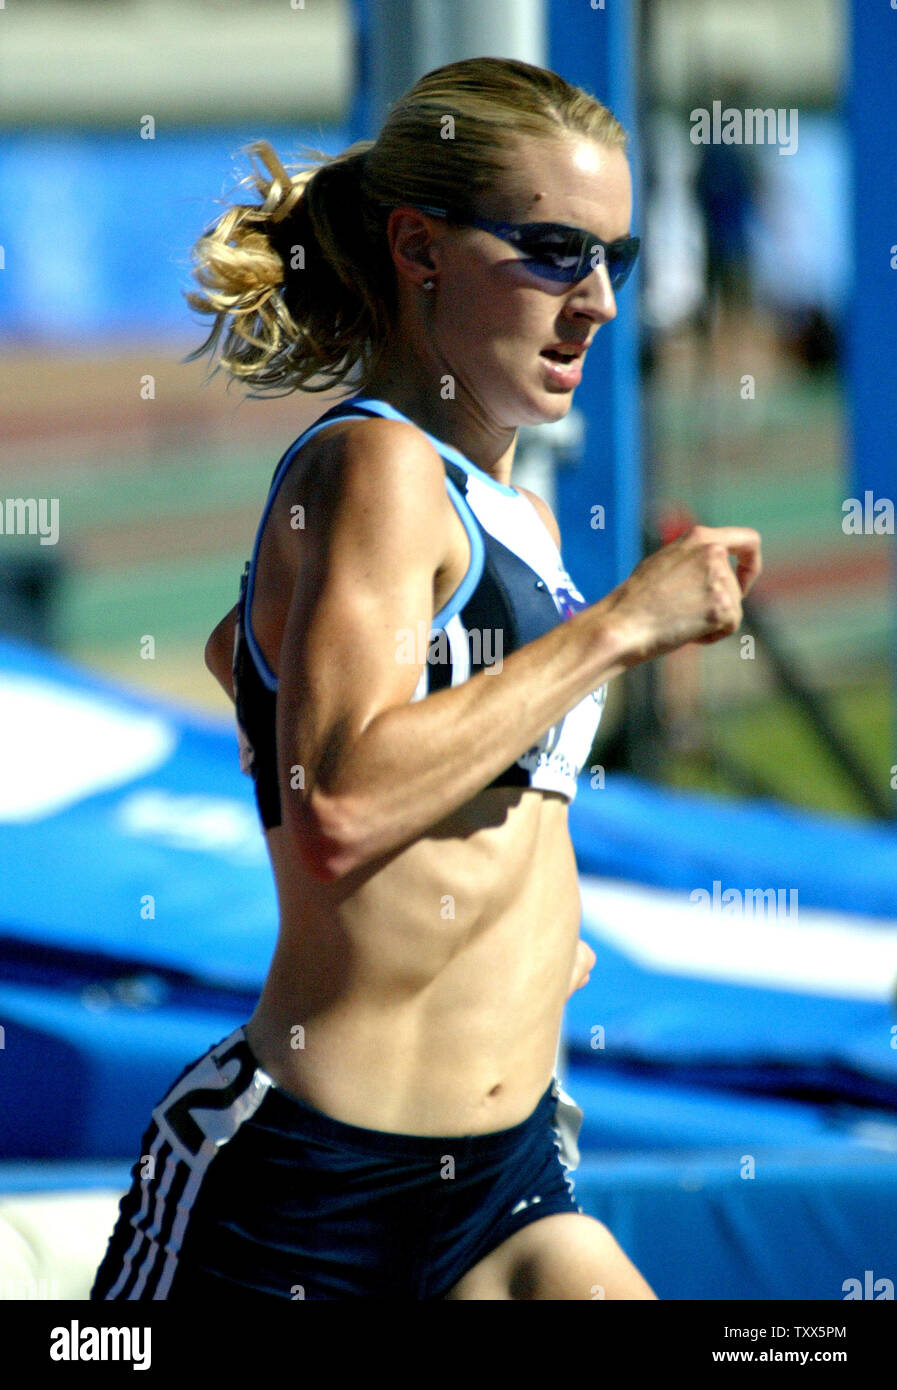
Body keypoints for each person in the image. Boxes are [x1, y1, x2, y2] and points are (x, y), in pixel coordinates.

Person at [91, 56, 760, 1301]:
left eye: (616, 255)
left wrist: (523, 927)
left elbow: (242, 657)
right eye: (555, 250)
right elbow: (340, 804)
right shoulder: (377, 470)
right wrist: (617, 629)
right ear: (421, 248)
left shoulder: (513, 521)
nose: (600, 301)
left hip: (502, 1176)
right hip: (305, 1192)